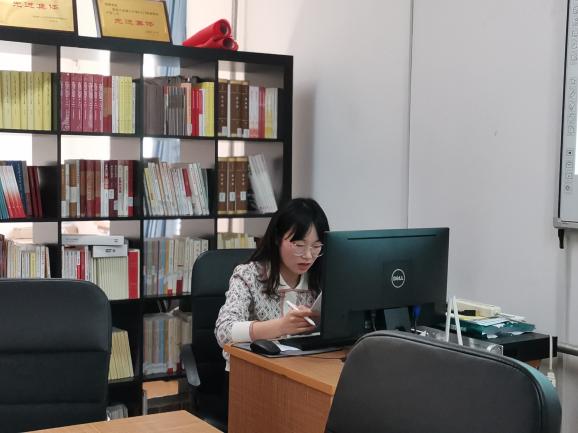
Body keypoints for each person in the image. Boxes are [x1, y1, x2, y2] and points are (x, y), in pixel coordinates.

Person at [215, 197, 329, 367]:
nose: (308, 255)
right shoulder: (248, 275)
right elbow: (224, 332)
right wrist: (281, 326)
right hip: (252, 371)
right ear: (277, 238)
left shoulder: (321, 277)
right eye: (299, 245)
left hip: (304, 367)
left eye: (316, 246)